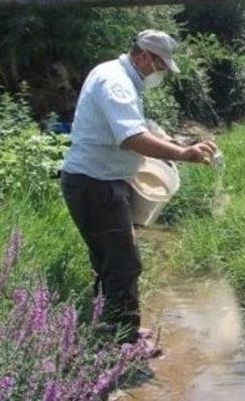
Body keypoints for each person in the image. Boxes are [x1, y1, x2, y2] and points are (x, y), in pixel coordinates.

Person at [60, 29, 217, 345]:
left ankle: (110, 327)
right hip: (96, 185)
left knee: (109, 261)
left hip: (98, 182)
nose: (159, 73)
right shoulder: (116, 83)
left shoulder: (117, 75)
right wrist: (183, 154)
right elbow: (132, 138)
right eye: (159, 65)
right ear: (143, 55)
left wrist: (174, 142)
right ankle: (124, 342)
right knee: (124, 263)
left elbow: (136, 127)